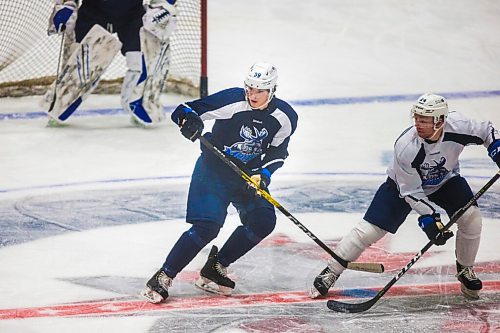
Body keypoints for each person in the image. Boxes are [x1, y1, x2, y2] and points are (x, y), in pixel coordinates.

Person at [310, 93, 500, 300]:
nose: (418, 123)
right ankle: (332, 270)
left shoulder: (459, 126)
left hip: (445, 182)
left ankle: (465, 268)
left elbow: (486, 131)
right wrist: (430, 218)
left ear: (440, 120)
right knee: (368, 231)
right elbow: (410, 190)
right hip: (402, 187)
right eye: (417, 118)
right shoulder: (407, 146)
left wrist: (497, 149)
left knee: (471, 218)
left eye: (425, 119)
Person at [142, 62, 299, 303]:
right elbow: (184, 110)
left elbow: (279, 152)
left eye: (260, 90)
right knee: (207, 227)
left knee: (263, 220)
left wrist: (264, 175)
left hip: (248, 177)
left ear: (272, 90)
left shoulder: (285, 117)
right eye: (250, 88)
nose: (252, 95)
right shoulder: (233, 100)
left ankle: (216, 267)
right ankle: (163, 276)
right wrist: (189, 122)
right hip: (213, 171)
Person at [45, 0, 177, 127]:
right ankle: (59, 105)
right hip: (93, 13)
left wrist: (164, 5)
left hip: (133, 15)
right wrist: (66, 5)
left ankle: (144, 101)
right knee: (80, 69)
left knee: (150, 52)